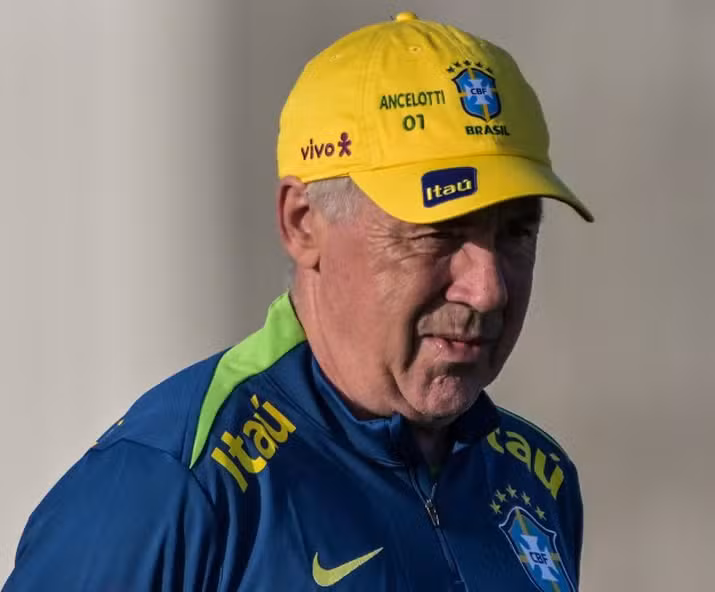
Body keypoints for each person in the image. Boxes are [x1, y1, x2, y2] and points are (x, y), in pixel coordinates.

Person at [4, 11, 593, 591]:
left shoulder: (537, 479)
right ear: (303, 223)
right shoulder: (174, 482)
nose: (487, 289)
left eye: (517, 233)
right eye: (439, 232)